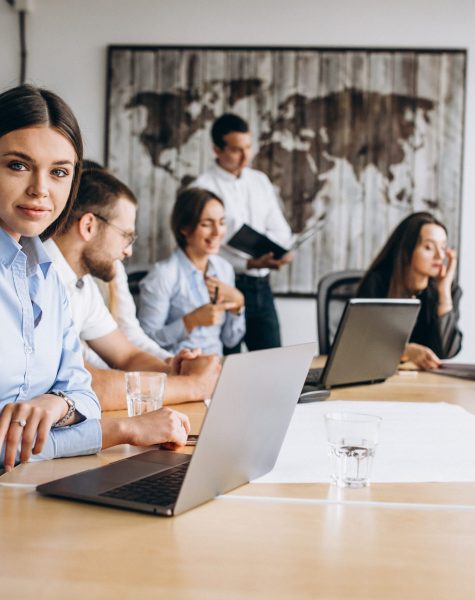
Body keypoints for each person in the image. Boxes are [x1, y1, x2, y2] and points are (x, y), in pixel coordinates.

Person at [0, 84, 190, 473]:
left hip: (32, 486)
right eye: (17, 165)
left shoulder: (47, 276)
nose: (40, 189)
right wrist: (121, 429)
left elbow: (82, 392)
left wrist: (61, 404)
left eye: (58, 172)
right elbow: (9, 447)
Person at [46, 168, 221, 410]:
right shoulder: (38, 279)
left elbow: (127, 355)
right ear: (88, 226)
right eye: (126, 236)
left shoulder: (82, 285)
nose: (128, 252)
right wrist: (192, 385)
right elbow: (81, 386)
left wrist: (173, 370)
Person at [193, 113, 293, 352]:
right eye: (237, 150)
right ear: (217, 150)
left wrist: (278, 254)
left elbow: (281, 230)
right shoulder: (201, 188)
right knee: (229, 367)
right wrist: (248, 263)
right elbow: (202, 250)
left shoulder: (260, 181)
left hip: (262, 288)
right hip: (224, 285)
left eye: (248, 147)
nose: (245, 156)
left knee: (274, 362)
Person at [139, 187, 245, 355]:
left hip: (217, 369)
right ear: (184, 228)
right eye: (206, 224)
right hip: (178, 371)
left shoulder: (224, 270)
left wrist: (238, 305)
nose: (218, 232)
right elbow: (144, 342)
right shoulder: (163, 275)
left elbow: (230, 340)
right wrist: (190, 321)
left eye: (222, 222)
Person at [357, 211, 462, 369]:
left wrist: (444, 292)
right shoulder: (378, 283)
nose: (440, 255)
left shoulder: (445, 290)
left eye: (443, 247)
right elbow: (362, 345)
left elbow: (446, 352)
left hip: (428, 386)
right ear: (407, 249)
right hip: (383, 382)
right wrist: (404, 351)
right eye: (428, 247)